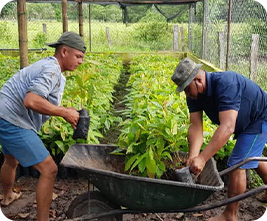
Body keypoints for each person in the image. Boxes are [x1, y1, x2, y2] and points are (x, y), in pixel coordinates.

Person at [0, 31, 86, 221]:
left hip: (3, 113)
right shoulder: (52, 70)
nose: (81, 62)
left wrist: (64, 110)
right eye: (78, 56)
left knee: (11, 160)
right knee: (49, 170)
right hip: (12, 119)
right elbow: (31, 100)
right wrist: (64, 112)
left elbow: (38, 99)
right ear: (64, 51)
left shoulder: (50, 65)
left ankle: (7, 196)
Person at [171, 58, 267, 221]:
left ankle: (230, 215)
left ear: (198, 80)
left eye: (187, 89)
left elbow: (228, 127)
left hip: (260, 117)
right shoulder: (194, 95)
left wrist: (203, 158)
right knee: (249, 156)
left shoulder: (226, 83)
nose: (187, 94)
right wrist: (194, 155)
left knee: (237, 164)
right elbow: (196, 126)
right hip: (245, 121)